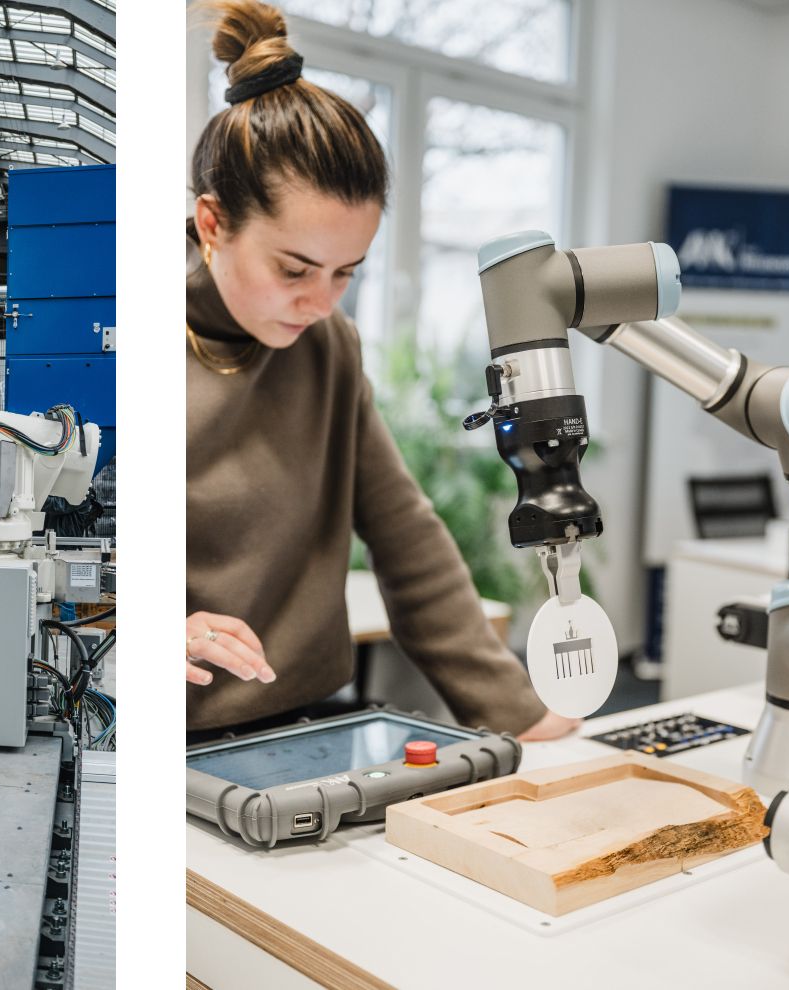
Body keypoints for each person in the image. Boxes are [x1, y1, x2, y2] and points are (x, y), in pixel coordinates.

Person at [185, 0, 576, 742]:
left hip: (308, 720)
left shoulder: (329, 346)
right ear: (213, 224)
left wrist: (521, 717)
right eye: (295, 268)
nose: (320, 303)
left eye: (346, 272)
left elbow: (405, 535)